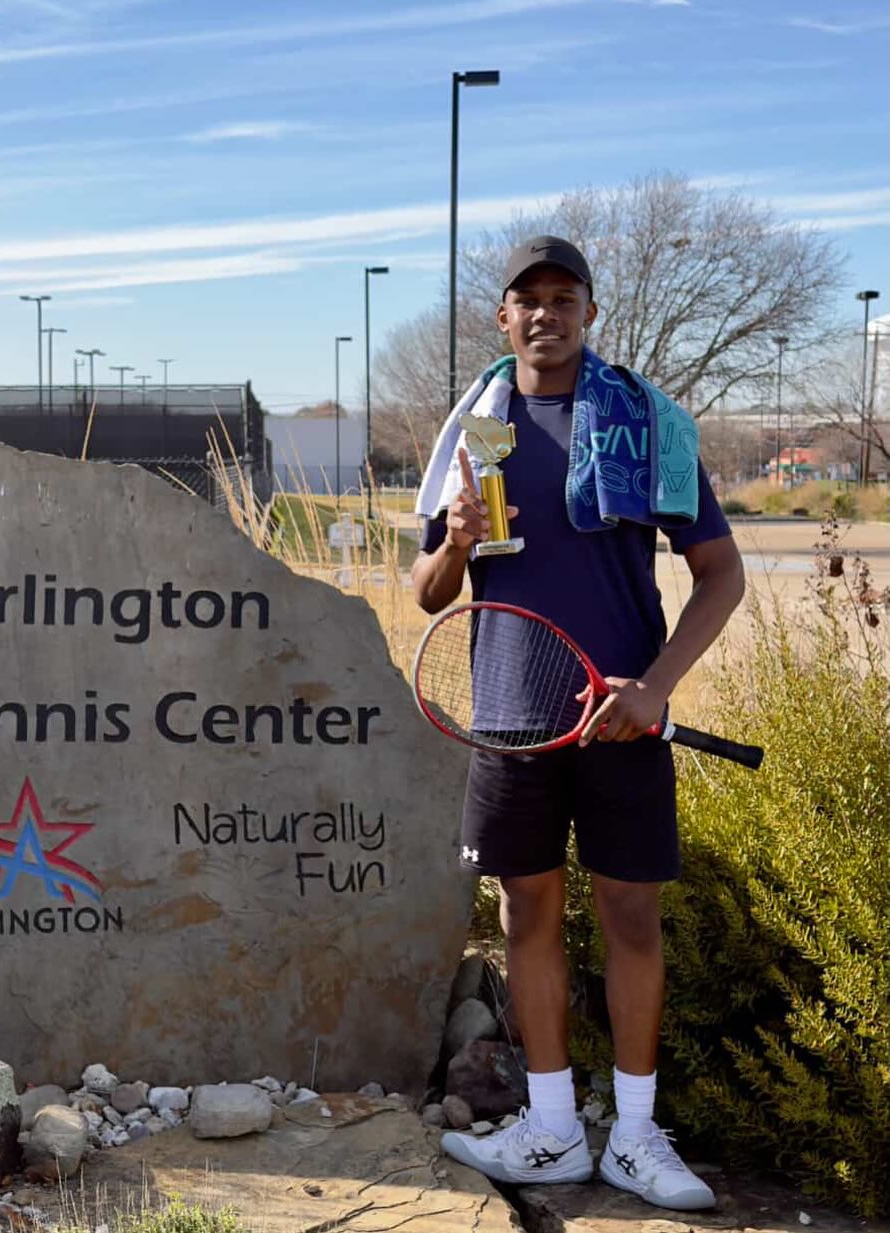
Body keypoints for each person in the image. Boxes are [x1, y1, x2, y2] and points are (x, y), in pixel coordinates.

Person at [413, 236, 744, 1211]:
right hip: (511, 721)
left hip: (621, 723)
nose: (546, 313)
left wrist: (653, 687)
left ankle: (637, 1137)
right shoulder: (472, 434)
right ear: (503, 318)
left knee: (631, 917)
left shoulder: (645, 422)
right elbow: (431, 591)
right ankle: (553, 1130)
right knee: (528, 915)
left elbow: (719, 573)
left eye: (565, 297)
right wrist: (460, 541)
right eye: (528, 299)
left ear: (589, 313)